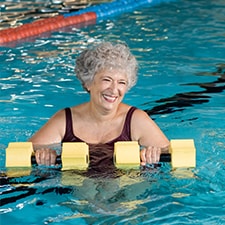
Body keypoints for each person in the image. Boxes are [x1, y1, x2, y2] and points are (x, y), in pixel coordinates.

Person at [29, 42, 169, 167]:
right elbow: (26, 150)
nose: (114, 90)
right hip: (75, 187)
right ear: (88, 83)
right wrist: (45, 155)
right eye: (107, 80)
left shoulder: (136, 120)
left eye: (121, 83)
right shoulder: (65, 120)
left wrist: (152, 153)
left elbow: (170, 152)